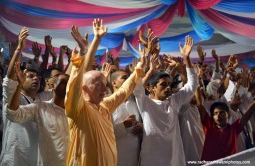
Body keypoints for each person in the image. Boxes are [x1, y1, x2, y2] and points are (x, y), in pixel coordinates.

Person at [65, 19, 146, 166]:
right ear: (84, 89)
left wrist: (139, 67)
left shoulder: (104, 106)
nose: (104, 89)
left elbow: (123, 91)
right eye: (97, 85)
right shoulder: (78, 109)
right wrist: (89, 47)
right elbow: (74, 84)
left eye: (104, 84)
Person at [133, 35, 198, 166]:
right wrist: (145, 63)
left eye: (170, 84)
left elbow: (192, 85)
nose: (168, 87)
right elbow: (136, 86)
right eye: (163, 84)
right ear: (151, 88)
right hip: (151, 161)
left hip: (174, 160)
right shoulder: (145, 103)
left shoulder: (174, 101)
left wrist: (186, 59)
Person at [0, 27, 52, 166]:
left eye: (37, 77)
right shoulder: (14, 96)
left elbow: (63, 83)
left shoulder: (42, 99)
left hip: (37, 160)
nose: (36, 78)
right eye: (30, 76)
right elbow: (9, 78)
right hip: (14, 159)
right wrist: (19, 49)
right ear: (20, 80)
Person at [5, 62, 69, 166]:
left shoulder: (76, 113)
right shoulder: (40, 107)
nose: (68, 86)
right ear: (52, 86)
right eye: (64, 83)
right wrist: (19, 86)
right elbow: (13, 114)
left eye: (71, 84)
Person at [195, 88, 255, 161]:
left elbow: (249, 112)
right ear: (212, 117)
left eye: (222, 112)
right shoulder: (209, 126)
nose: (218, 115)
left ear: (228, 115)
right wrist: (196, 84)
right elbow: (200, 105)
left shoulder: (234, 129)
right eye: (215, 113)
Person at [110, 69, 143, 166]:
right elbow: (103, 133)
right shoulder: (107, 104)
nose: (129, 80)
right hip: (115, 159)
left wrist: (142, 127)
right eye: (124, 78)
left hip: (134, 158)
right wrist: (124, 125)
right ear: (114, 83)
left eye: (129, 78)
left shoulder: (134, 103)